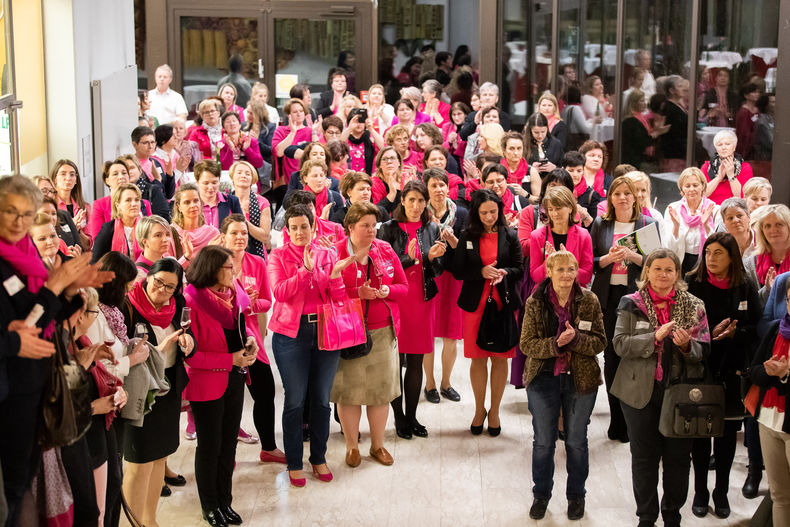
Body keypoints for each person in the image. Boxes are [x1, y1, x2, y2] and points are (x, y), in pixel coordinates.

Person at [0, 175, 113, 525]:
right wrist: (54, 290)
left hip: (38, 389)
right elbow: (31, 319)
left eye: (27, 214)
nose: (20, 222)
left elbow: (37, 314)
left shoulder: (23, 256)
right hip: (11, 397)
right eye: (10, 212)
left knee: (25, 495)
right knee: (14, 497)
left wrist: (65, 292)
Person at [612, 248, 710, 527]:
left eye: (669, 270)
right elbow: (620, 345)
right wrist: (654, 337)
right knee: (644, 457)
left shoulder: (695, 304)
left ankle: (672, 514)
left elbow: (705, 350)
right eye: (657, 269)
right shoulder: (631, 302)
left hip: (680, 393)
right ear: (647, 272)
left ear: (678, 274)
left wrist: (687, 346)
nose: (663, 275)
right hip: (638, 393)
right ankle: (646, 515)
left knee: (678, 457)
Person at [268, 204, 351, 486]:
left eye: (305, 226)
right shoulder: (277, 256)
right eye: (294, 228)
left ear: (313, 227)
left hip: (326, 330)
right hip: (291, 335)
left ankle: (318, 457)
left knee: (321, 399)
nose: (300, 232)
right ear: (287, 230)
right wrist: (305, 270)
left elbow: (335, 295)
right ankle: (294, 461)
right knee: (295, 399)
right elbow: (280, 293)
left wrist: (337, 276)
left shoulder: (327, 252)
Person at [521, 250, 605, 521]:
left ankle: (576, 496)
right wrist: (556, 344)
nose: (567, 274)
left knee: (577, 442)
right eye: (560, 269)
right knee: (544, 442)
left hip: (581, 380)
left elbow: (600, 342)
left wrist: (576, 339)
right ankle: (541, 495)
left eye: (571, 269)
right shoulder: (535, 302)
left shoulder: (589, 300)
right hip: (543, 377)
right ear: (549, 272)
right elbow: (526, 344)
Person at [683, 233, 762, 518]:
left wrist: (735, 333)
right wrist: (711, 336)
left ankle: (721, 491)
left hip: (732, 370)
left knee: (727, 437)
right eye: (708, 253)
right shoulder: (693, 283)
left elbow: (757, 326)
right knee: (701, 436)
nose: (711, 259)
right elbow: (683, 326)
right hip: (700, 368)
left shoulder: (745, 285)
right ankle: (701, 491)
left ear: (732, 257)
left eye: (718, 253)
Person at [330, 201, 407, 467]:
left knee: (380, 393)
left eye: (374, 225)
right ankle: (352, 447)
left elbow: (403, 286)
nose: (372, 230)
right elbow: (325, 293)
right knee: (348, 393)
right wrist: (355, 294)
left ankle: (377, 445)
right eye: (365, 226)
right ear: (350, 227)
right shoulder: (335, 254)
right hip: (347, 332)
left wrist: (389, 292)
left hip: (382, 331)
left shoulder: (384, 250)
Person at [184, 245, 256, 526]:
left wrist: (249, 338)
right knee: (210, 446)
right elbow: (191, 356)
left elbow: (242, 323)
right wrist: (230, 360)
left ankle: (225, 501)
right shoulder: (192, 301)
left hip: (235, 379)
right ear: (212, 269)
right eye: (228, 267)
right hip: (208, 382)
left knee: (228, 444)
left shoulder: (232, 292)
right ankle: (210, 505)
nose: (234, 270)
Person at [122, 258, 195, 526]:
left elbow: (191, 336)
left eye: (170, 287)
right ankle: (133, 522)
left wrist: (189, 343)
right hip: (141, 389)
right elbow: (121, 352)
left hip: (169, 386)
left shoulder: (177, 308)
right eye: (158, 282)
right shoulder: (128, 306)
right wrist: (157, 349)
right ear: (147, 277)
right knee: (139, 462)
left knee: (158, 459)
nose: (162, 291)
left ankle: (149, 520)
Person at [590, 176, 659, 443]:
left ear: (635, 197)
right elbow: (592, 261)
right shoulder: (601, 223)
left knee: (633, 356)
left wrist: (632, 257)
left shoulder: (647, 223)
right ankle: (616, 418)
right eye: (617, 193)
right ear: (610, 198)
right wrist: (609, 258)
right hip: (608, 296)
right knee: (611, 357)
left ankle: (632, 417)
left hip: (635, 297)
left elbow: (655, 262)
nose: (622, 198)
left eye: (627, 193)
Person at [378, 180, 446, 438]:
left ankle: (412, 416)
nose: (416, 206)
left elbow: (439, 269)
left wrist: (431, 259)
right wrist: (411, 258)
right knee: (395, 362)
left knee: (416, 360)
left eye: (421, 200)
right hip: (397, 300)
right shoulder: (388, 228)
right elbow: (383, 269)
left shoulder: (432, 227)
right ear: (402, 201)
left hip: (422, 299)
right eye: (411, 200)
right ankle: (398, 418)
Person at [452, 189, 523, 436]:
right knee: (478, 358)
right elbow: (458, 270)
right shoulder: (467, 234)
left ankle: (494, 410)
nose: (489, 216)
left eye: (493, 212)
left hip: (502, 302)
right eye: (484, 213)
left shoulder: (510, 235)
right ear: (476, 213)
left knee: (500, 357)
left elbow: (519, 269)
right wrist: (480, 272)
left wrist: (504, 272)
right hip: (475, 304)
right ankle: (479, 409)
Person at [220, 215, 285, 464]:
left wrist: (250, 303)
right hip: (224, 340)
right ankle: (227, 454)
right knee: (228, 400)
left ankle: (268, 447)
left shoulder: (257, 262)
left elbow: (268, 301)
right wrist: (240, 300)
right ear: (224, 236)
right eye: (234, 233)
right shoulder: (215, 262)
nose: (240, 238)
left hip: (251, 339)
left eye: (244, 233)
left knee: (265, 393)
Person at [422, 169, 467, 404]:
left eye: (442, 185)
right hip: (429, 276)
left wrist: (452, 240)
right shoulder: (420, 213)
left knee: (451, 335)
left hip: (453, 278)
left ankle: (446, 383)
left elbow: (468, 250)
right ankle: (429, 384)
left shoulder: (461, 213)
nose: (439, 189)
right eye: (434, 186)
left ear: (449, 188)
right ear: (426, 189)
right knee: (428, 334)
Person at [529, 186, 593, 287]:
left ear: (570, 208)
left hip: (574, 295)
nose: (554, 213)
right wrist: (550, 261)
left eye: (558, 208)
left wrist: (567, 263)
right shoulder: (536, 236)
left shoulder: (583, 235)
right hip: (546, 295)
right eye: (550, 209)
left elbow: (587, 276)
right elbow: (535, 277)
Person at [664, 167, 718, 275]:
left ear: (703, 186)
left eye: (695, 185)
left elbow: (717, 245)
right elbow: (668, 247)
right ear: (682, 188)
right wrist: (676, 226)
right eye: (687, 186)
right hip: (680, 262)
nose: (691, 189)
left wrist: (706, 225)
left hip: (705, 263)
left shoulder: (714, 209)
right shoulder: (673, 208)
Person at [87, 159, 153, 240]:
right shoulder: (99, 204)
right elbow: (96, 238)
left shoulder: (144, 204)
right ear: (107, 180)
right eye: (115, 174)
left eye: (124, 173)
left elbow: (151, 233)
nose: (121, 177)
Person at [518, 169, 575, 255]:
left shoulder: (572, 213)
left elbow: (574, 246)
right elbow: (523, 248)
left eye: (562, 187)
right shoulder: (529, 212)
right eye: (553, 185)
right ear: (545, 187)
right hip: (536, 264)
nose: (557, 190)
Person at [744, 204, 790, 303]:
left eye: (779, 224)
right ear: (762, 231)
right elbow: (749, 304)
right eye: (767, 226)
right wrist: (767, 290)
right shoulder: (750, 263)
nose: (773, 230)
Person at [272, 99, 313, 207]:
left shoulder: (310, 131)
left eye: (301, 111)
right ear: (289, 115)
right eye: (295, 111)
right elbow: (279, 152)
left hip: (307, 179)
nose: (299, 113)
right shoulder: (280, 130)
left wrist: (315, 132)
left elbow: (315, 153)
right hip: (286, 181)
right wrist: (292, 133)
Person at [169, 183, 222, 265]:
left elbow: (218, 267)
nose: (193, 205)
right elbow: (168, 271)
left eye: (196, 200)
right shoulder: (170, 233)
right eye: (187, 202)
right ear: (178, 206)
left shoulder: (213, 233)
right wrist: (187, 256)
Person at [91, 183, 145, 262]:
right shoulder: (108, 229)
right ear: (118, 206)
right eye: (128, 200)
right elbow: (95, 261)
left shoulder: (146, 227)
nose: (134, 204)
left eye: (137, 200)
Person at [230, 160, 271, 256]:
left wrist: (245, 222)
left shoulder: (262, 202)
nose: (243, 176)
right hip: (230, 255)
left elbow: (265, 237)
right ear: (232, 177)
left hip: (256, 254)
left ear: (252, 179)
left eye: (247, 174)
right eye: (239, 173)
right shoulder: (226, 201)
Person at [621, 89, 671, 170]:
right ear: (634, 103)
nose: (645, 104)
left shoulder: (641, 117)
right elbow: (641, 141)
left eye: (645, 101)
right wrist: (657, 133)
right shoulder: (631, 121)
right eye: (642, 101)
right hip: (633, 161)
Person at [701, 129, 753, 204]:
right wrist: (718, 178)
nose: (723, 147)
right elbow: (702, 194)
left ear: (734, 147)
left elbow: (742, 197)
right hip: (711, 207)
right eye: (720, 145)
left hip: (734, 208)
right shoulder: (706, 166)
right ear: (716, 148)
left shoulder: (745, 168)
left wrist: (731, 176)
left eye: (727, 144)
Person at [121, 153, 172, 221]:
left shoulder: (153, 190)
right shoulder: (118, 193)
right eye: (125, 169)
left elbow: (164, 217)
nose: (129, 171)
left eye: (132, 168)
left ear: (139, 170)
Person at [195, 160, 243, 230]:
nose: (210, 187)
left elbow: (241, 228)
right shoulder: (192, 204)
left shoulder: (232, 201)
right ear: (197, 182)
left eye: (214, 183)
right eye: (206, 183)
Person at [481, 163, 529, 228]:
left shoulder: (520, 202)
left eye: (499, 181)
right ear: (484, 185)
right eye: (490, 182)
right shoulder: (479, 204)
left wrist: (521, 224)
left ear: (506, 181)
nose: (495, 185)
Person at [659, 75, 690, 172]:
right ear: (671, 90)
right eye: (679, 86)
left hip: (682, 151)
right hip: (674, 153)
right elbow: (672, 132)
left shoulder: (679, 105)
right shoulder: (669, 108)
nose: (683, 88)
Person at [51, 159, 90, 234]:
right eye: (63, 174)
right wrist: (72, 226)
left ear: (76, 180)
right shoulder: (50, 206)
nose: (68, 178)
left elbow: (89, 243)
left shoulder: (85, 207)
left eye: (72, 174)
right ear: (55, 179)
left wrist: (77, 230)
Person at [343, 108, 385, 174]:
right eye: (356, 121)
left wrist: (371, 129)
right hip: (348, 177)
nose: (359, 124)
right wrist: (349, 128)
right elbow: (338, 145)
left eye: (361, 121)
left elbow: (383, 147)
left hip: (367, 178)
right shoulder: (345, 136)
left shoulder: (370, 136)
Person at [563, 152, 599, 228]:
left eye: (579, 171)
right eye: (571, 170)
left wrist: (584, 214)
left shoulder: (592, 195)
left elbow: (595, 227)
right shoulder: (557, 191)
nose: (575, 175)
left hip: (582, 237)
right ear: (563, 170)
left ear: (583, 171)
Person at [524, 113, 563, 179]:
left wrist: (555, 168)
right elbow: (515, 168)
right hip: (529, 183)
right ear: (530, 130)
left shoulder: (556, 144)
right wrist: (530, 169)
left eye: (543, 132)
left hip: (552, 182)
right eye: (536, 132)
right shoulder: (523, 143)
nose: (540, 135)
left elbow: (564, 169)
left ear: (547, 129)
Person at [153, 124, 192, 190]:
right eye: (172, 135)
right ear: (163, 140)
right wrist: (179, 170)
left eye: (176, 134)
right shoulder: (155, 160)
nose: (176, 137)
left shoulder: (175, 154)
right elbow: (165, 188)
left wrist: (182, 171)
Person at [735, 82, 762, 160]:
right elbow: (744, 133)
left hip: (756, 146)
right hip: (745, 147)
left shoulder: (757, 110)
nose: (757, 94)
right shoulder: (744, 112)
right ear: (746, 95)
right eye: (753, 92)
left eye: (758, 92)